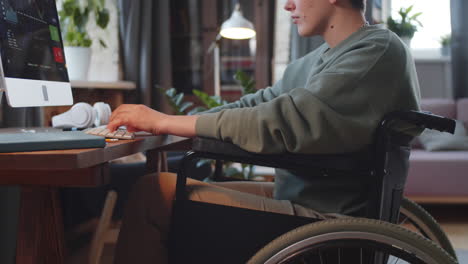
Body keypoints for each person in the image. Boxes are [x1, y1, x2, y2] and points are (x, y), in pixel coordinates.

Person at [108, 0, 421, 263]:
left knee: (154, 194)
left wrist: (164, 123)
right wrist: (168, 120)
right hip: (306, 197)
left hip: (331, 223)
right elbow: (256, 105)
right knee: (164, 188)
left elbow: (280, 121)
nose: (287, 5)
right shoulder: (314, 61)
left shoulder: (377, 50)